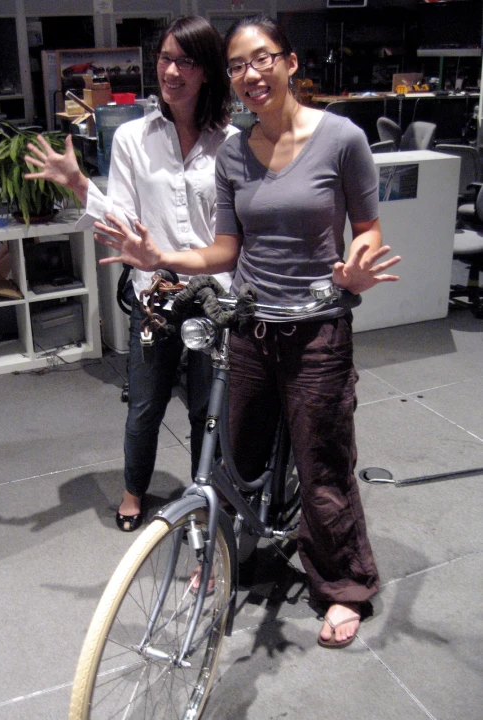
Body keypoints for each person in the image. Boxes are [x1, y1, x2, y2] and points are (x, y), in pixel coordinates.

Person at [93, 15, 402, 648]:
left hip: (318, 328)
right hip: (251, 326)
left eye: (260, 59)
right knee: (236, 455)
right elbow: (226, 249)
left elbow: (368, 228)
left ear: (289, 61)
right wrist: (160, 261)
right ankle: (227, 559)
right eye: (236, 65)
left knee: (322, 464)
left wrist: (359, 267)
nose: (249, 74)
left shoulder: (341, 138)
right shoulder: (234, 150)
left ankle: (343, 587)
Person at [24, 16, 235, 532]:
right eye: (165, 58)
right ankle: (133, 491)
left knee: (208, 410)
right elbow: (120, 219)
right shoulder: (133, 139)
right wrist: (79, 186)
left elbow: (236, 230)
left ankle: (203, 503)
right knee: (145, 403)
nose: (172, 70)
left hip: (214, 298)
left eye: (185, 60)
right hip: (156, 297)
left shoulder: (230, 143)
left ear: (205, 71)